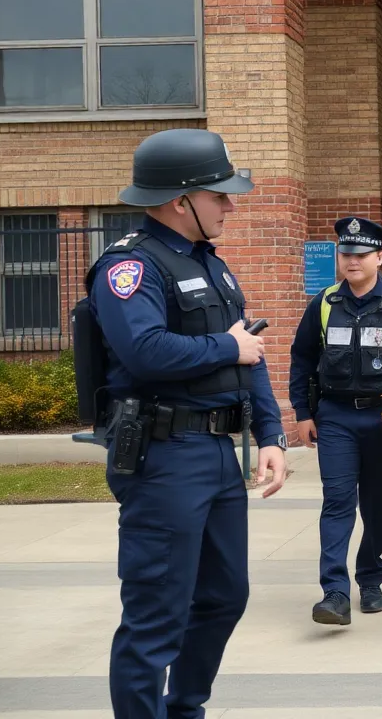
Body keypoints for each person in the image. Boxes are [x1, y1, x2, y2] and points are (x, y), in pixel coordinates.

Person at [84, 128, 288, 719]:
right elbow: (145, 351)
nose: (229, 205)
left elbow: (249, 351)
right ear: (181, 200)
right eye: (219, 195)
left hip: (217, 456)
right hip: (163, 456)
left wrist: (269, 435)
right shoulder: (131, 268)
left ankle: (184, 708)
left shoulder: (212, 267)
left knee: (225, 596)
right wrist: (227, 349)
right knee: (156, 615)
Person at [288, 216, 382, 626]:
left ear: (379, 257)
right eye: (345, 253)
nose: (351, 260)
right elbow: (301, 358)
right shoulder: (323, 304)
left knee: (377, 508)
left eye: (360, 253)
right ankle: (334, 593)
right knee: (337, 503)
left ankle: (370, 578)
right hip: (335, 417)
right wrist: (303, 412)